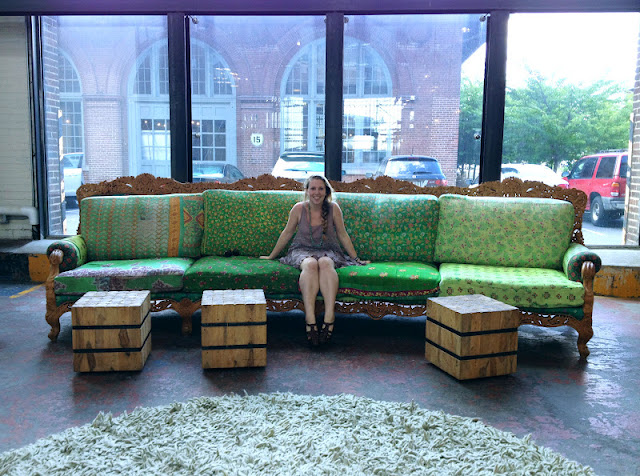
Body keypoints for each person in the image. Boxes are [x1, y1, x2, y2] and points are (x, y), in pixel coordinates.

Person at [260, 175, 367, 347]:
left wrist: (356, 259)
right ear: (307, 191)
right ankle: (310, 320)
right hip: (301, 250)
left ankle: (329, 316)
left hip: (329, 250)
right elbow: (287, 233)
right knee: (310, 264)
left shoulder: (334, 209)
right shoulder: (298, 209)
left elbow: (342, 235)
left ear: (326, 192)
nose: (317, 192)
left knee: (325, 263)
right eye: (313, 188)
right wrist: (271, 256)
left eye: (320, 189)